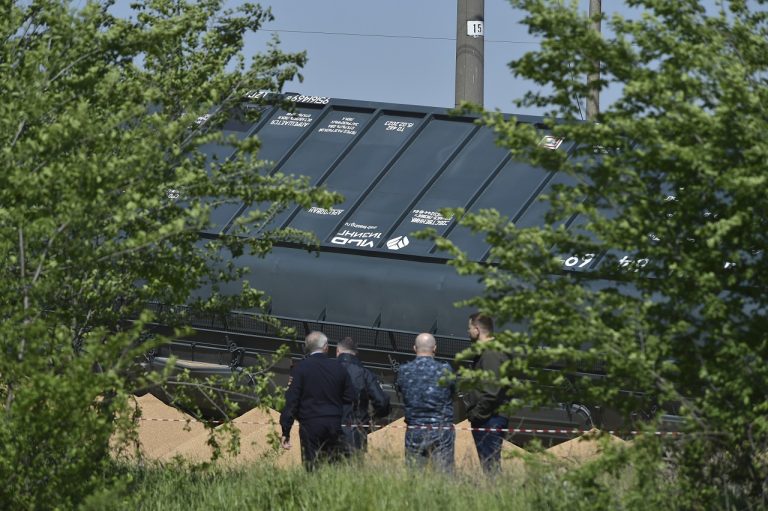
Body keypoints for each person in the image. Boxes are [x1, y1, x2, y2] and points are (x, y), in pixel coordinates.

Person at [280, 331, 355, 470]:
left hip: (310, 424)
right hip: (334, 424)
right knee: (334, 467)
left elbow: (291, 402)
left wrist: (286, 430)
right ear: (326, 347)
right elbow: (350, 397)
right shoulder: (339, 368)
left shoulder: (300, 369)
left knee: (312, 466)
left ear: (307, 347)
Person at [395, 332, 455, 472]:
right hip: (441, 431)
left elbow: (401, 392)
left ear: (414, 348)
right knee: (444, 478)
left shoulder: (404, 371)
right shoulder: (445, 370)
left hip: (415, 430)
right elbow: (452, 393)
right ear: (434, 348)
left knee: (415, 478)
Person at [464, 312, 509, 473]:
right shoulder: (488, 352)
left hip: (490, 419)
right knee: (489, 468)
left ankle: (497, 496)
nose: (468, 332)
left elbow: (492, 392)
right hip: (488, 417)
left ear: (477, 329)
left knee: (491, 469)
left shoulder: (491, 354)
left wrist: (477, 414)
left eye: (469, 328)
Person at [335, 336, 390, 455]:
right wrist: (372, 418)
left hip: (328, 430)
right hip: (356, 433)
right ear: (356, 353)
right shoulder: (365, 373)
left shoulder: (325, 371)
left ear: (337, 351)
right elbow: (382, 402)